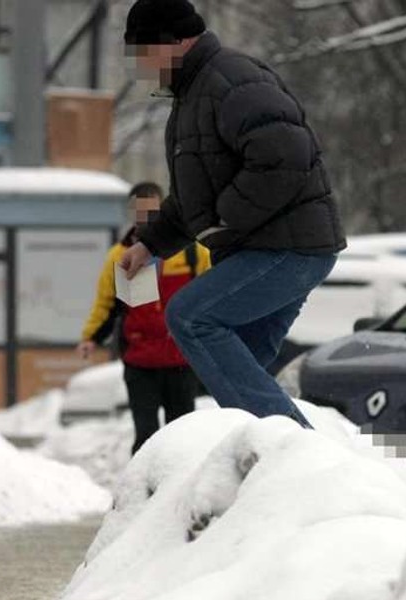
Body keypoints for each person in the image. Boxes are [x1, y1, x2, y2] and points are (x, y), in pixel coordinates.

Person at [119, 0, 346, 428]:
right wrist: (150, 244)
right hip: (270, 248)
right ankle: (258, 463)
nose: (143, 66)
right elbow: (193, 199)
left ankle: (295, 451)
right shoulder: (191, 97)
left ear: (178, 41)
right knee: (235, 369)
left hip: (287, 248)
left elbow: (285, 158)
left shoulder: (232, 80)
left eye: (146, 52)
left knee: (190, 316)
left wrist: (226, 218)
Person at [79, 181, 212, 454]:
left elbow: (212, 295)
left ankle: (179, 488)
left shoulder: (191, 254)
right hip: (140, 362)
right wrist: (91, 337)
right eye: (139, 212)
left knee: (182, 436)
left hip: (180, 359)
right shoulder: (120, 256)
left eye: (152, 211)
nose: (146, 219)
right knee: (146, 436)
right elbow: (109, 304)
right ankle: (143, 489)